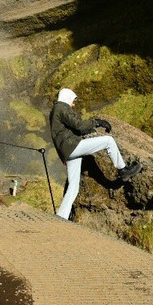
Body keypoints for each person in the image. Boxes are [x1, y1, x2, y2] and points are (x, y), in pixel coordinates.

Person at [49, 87, 141, 221]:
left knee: (73, 187)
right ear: (67, 97)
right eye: (74, 101)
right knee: (109, 141)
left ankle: (61, 217)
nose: (74, 105)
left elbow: (58, 135)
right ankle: (123, 169)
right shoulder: (62, 107)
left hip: (68, 151)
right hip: (72, 146)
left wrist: (62, 156)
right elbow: (78, 124)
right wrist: (97, 122)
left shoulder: (54, 111)